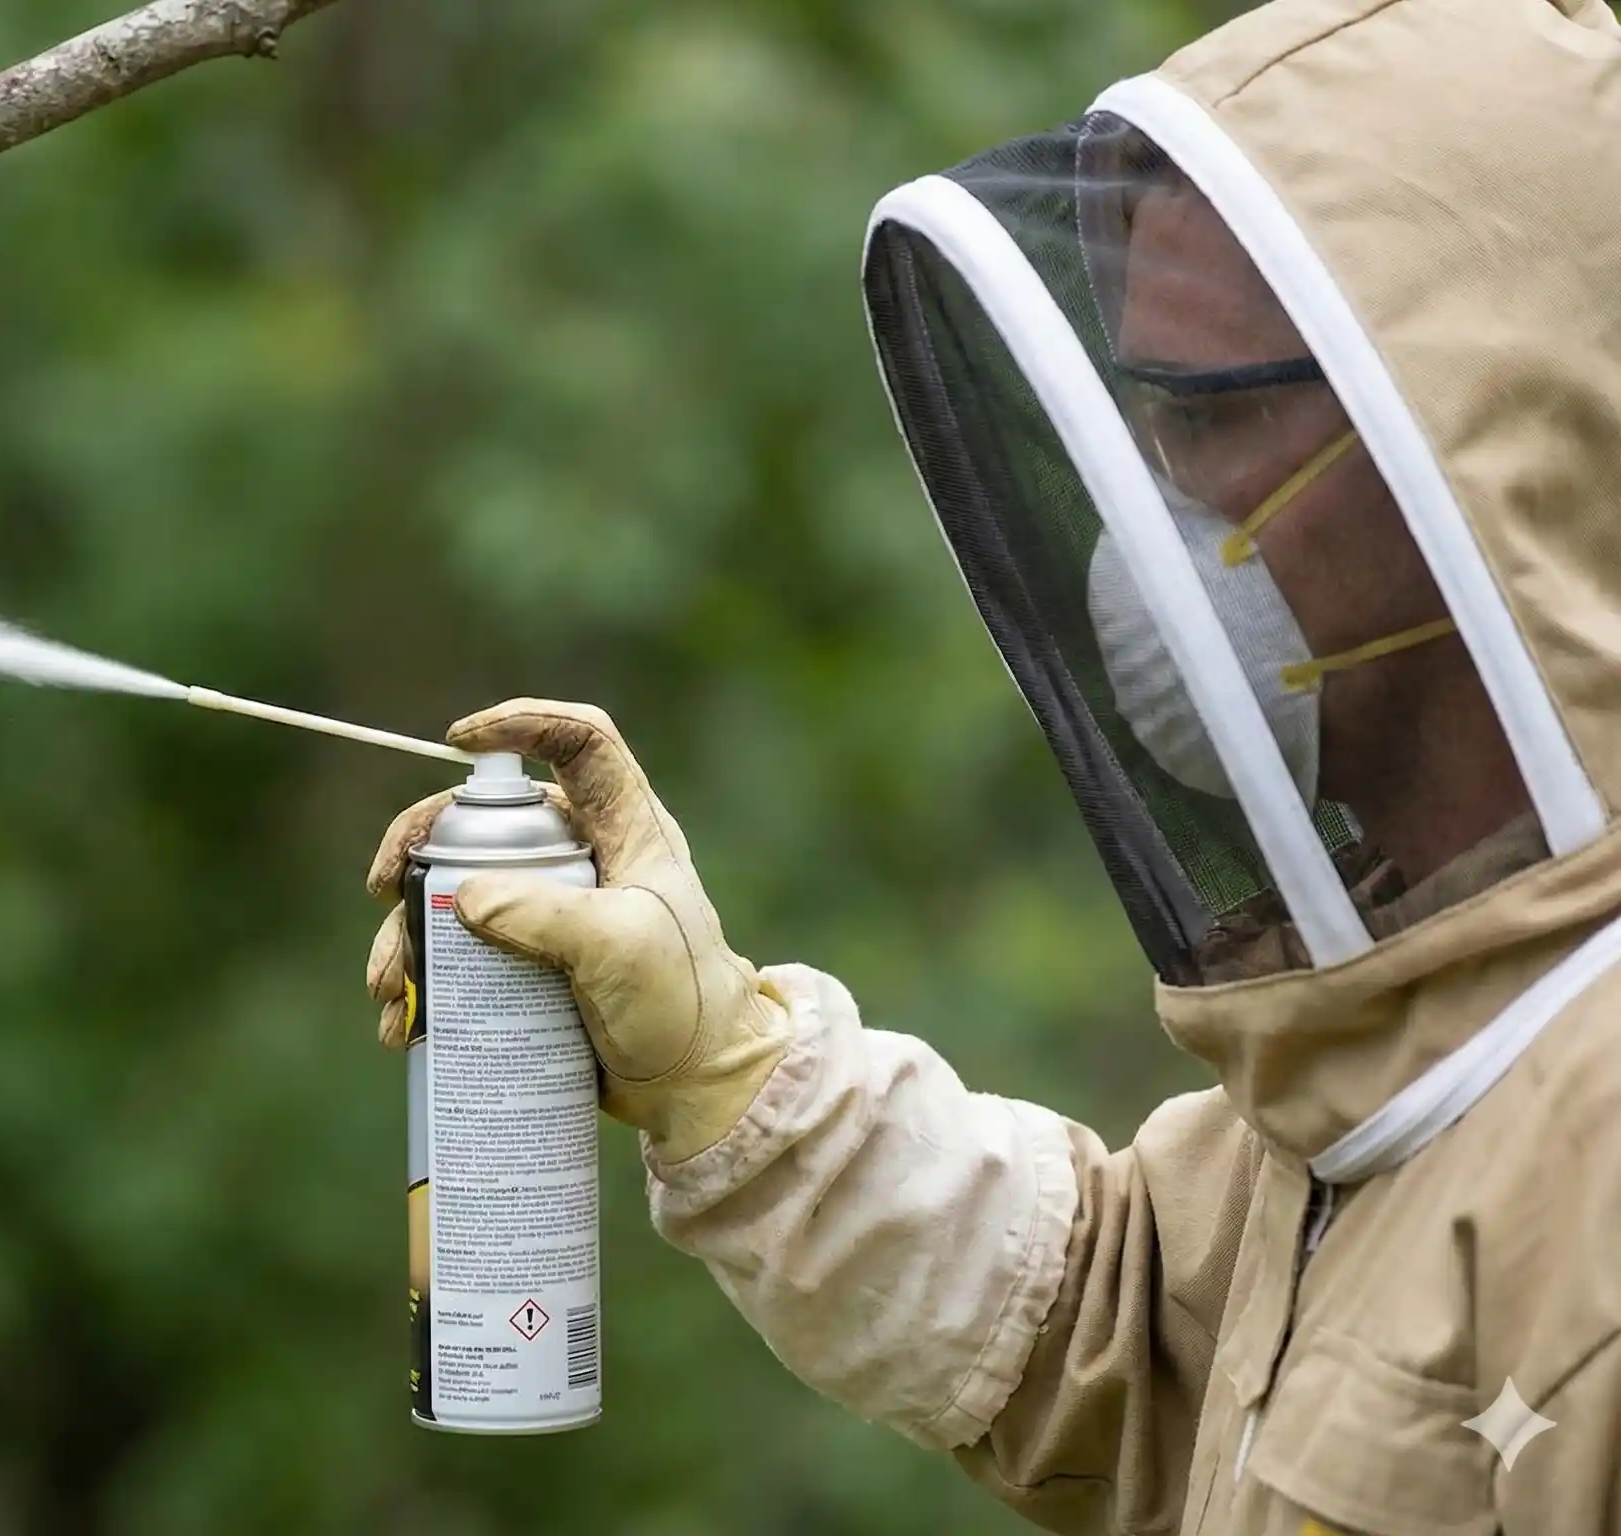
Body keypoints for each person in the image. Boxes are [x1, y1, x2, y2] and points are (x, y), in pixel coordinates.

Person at [363, 2, 1621, 1530]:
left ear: (1494, 442)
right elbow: (1131, 1336)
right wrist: (727, 1068)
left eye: (1217, 417)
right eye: (1139, 420)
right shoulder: (1416, 1031)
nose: (1147, 533)